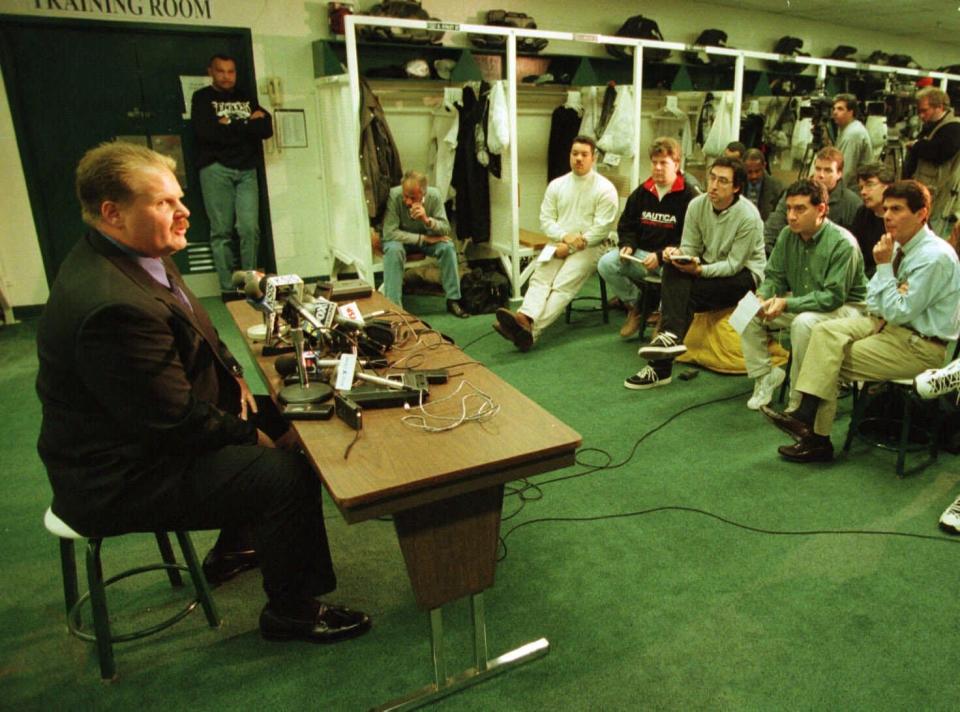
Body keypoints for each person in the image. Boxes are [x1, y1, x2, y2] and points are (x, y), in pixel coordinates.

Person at [36, 142, 370, 644]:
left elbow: (201, 338)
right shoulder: (110, 304)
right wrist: (250, 436)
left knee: (298, 412)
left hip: (149, 433)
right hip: (118, 474)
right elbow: (173, 422)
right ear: (113, 212)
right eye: (163, 203)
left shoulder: (138, 253)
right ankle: (292, 611)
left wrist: (240, 390)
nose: (184, 212)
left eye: (179, 198)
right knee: (287, 472)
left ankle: (237, 544)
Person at [761, 180, 960, 463]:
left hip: (918, 346)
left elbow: (897, 311)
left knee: (827, 358)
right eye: (886, 208)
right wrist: (888, 278)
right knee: (823, 333)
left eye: (897, 209)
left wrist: (882, 267)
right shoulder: (900, 247)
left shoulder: (934, 256)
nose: (888, 215)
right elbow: (875, 302)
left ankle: (816, 435)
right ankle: (805, 416)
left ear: (922, 213)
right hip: (885, 326)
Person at [626, 156, 766, 389]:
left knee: (684, 296)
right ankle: (669, 341)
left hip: (744, 276)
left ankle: (660, 364)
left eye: (723, 181)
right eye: (712, 178)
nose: (713, 185)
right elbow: (690, 247)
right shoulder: (697, 205)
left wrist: (700, 269)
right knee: (672, 266)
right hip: (708, 266)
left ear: (736, 187)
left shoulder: (748, 216)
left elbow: (734, 265)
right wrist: (681, 256)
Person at [739, 179, 867, 411]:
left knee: (803, 323)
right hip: (806, 303)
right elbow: (775, 276)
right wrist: (761, 296)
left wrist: (786, 303)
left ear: (821, 210)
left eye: (800, 209)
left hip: (849, 309)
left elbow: (833, 297)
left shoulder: (842, 243)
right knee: (745, 310)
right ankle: (764, 375)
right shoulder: (788, 235)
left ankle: (799, 402)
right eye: (789, 208)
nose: (791, 216)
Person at [494, 136, 618, 350]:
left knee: (562, 284)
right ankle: (524, 316)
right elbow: (546, 220)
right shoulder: (557, 185)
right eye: (574, 153)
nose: (578, 158)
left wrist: (569, 245)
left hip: (591, 246)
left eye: (584, 154)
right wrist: (563, 238)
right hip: (559, 242)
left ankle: (531, 329)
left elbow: (600, 230)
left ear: (594, 157)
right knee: (540, 277)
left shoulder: (605, 189)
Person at [597, 137, 697, 338]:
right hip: (640, 256)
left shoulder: (689, 196)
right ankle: (637, 306)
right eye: (654, 162)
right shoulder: (642, 192)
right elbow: (626, 225)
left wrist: (660, 256)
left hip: (669, 260)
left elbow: (690, 239)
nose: (658, 168)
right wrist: (627, 245)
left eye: (664, 163)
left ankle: (662, 313)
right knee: (606, 264)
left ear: (676, 165)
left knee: (673, 273)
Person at [192, 54, 273, 300]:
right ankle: (229, 287)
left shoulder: (245, 96)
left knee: (249, 228)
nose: (227, 76)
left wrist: (230, 124)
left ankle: (249, 284)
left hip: (247, 170)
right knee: (222, 231)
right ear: (211, 72)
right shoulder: (202, 98)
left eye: (231, 71)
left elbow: (266, 128)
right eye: (221, 71)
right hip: (216, 169)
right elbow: (207, 133)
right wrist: (248, 124)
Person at [381, 170, 468, 317]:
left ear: (423, 193)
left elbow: (445, 228)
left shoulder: (434, 196)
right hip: (400, 240)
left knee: (447, 247)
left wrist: (427, 220)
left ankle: (453, 299)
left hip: (426, 238)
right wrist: (423, 238)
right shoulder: (394, 196)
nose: (407, 201)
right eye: (405, 196)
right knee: (393, 251)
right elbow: (389, 233)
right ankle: (395, 308)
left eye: (412, 197)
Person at [764, 147, 862, 254]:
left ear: (839, 173)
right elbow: (773, 228)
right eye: (818, 169)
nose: (821, 175)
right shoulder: (796, 193)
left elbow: (855, 246)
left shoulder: (851, 203)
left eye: (828, 170)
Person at [903, 87, 960, 238]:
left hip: (939, 199)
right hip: (924, 193)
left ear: (940, 107)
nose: (921, 115)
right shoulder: (931, 127)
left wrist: (917, 145)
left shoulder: (953, 129)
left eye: (925, 110)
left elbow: (940, 152)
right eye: (919, 111)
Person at [849, 163, 896, 276]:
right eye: (861, 187)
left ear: (887, 186)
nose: (863, 192)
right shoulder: (862, 213)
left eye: (869, 185)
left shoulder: (902, 215)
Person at [831, 94, 873, 189]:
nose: (835, 112)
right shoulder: (846, 129)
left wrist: (834, 193)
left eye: (840, 109)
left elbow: (847, 171)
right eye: (834, 109)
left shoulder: (853, 134)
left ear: (850, 112)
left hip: (854, 189)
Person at [742, 148, 784, 222]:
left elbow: (778, 218)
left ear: (764, 166)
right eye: (749, 172)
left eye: (757, 171)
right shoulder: (737, 184)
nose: (754, 176)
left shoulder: (776, 187)